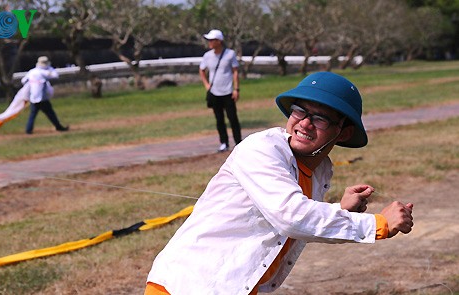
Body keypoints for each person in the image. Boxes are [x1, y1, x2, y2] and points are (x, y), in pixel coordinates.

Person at [144, 72, 414, 295]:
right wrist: (378, 224)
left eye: (319, 118)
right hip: (186, 286)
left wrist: (341, 211)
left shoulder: (318, 170)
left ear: (343, 132)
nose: (305, 123)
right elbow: (293, 218)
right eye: (300, 111)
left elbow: (297, 225)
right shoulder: (261, 149)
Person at [199, 29, 242, 152]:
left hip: (228, 92)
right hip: (214, 92)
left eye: (212, 40)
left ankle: (238, 142)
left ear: (219, 41)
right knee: (219, 119)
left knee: (233, 118)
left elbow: (235, 71)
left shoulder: (230, 54)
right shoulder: (207, 56)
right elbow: (201, 70)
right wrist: (207, 85)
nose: (209, 42)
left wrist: (236, 89)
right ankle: (224, 143)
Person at [23, 56, 69, 134]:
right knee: (50, 113)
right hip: (42, 98)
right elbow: (55, 75)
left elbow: (23, 81)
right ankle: (58, 127)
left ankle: (28, 129)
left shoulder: (32, 71)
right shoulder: (43, 72)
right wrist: (50, 68)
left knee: (33, 114)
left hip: (33, 97)